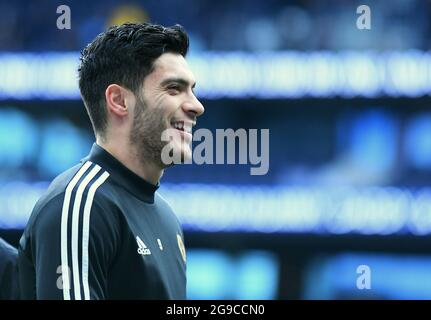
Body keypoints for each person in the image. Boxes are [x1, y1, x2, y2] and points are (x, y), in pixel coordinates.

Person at [18, 22, 205, 299]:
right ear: (119, 100)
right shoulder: (81, 202)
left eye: (192, 90)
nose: (196, 106)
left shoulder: (167, 218)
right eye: (174, 88)